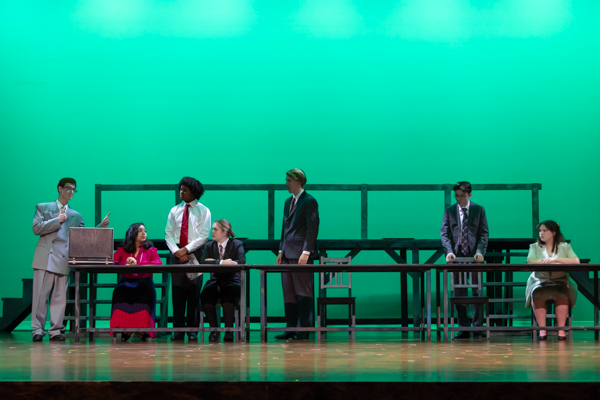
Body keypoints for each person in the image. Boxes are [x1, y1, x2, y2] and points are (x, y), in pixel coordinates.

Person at [31, 177, 109, 342]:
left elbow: (82, 238)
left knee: (59, 298)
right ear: (60, 188)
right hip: (45, 257)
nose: (71, 192)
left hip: (63, 258)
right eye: (68, 188)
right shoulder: (43, 207)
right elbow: (36, 228)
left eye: (74, 189)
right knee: (40, 297)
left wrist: (100, 227)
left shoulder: (75, 215)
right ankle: (37, 329)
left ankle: (55, 331)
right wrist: (56, 221)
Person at [440, 181, 489, 339]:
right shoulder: (450, 211)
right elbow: (444, 233)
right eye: (456, 196)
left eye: (462, 196)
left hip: (474, 257)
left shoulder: (478, 210)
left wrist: (481, 251)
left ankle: (478, 327)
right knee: (459, 293)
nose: (459, 199)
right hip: (457, 257)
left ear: (469, 195)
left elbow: (483, 233)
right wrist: (448, 252)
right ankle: (464, 328)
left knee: (477, 292)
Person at [275, 168, 320, 340]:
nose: (286, 183)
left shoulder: (309, 201)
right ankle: (291, 328)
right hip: (287, 253)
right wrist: (280, 249)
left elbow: (312, 228)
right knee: (289, 292)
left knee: (303, 292)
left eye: (289, 180)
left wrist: (306, 251)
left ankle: (304, 329)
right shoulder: (288, 202)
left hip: (301, 253)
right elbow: (284, 227)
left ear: (298, 181)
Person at [165, 177, 211, 341]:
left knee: (193, 292)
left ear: (194, 192)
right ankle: (178, 329)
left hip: (194, 253)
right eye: (180, 189)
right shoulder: (174, 210)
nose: (181, 192)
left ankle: (192, 330)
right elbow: (168, 234)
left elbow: (204, 236)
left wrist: (186, 249)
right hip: (177, 254)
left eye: (185, 190)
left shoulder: (203, 211)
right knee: (177, 292)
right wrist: (177, 251)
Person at [526, 220, 578, 340]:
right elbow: (530, 260)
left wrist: (555, 260)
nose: (541, 233)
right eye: (540, 231)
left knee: (562, 292)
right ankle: (542, 330)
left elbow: (575, 261)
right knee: (538, 292)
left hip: (560, 280)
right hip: (540, 280)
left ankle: (561, 330)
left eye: (545, 230)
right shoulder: (534, 246)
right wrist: (544, 261)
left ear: (553, 233)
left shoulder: (565, 246)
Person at [111, 223, 162, 341]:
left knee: (145, 293)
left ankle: (140, 329)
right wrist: (126, 264)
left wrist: (138, 264)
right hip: (126, 282)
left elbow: (158, 263)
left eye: (145, 231)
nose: (144, 233)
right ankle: (125, 328)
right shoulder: (122, 249)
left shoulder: (151, 249)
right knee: (119, 293)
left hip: (144, 282)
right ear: (133, 234)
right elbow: (112, 261)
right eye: (140, 231)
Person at [200, 219, 246, 342]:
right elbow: (203, 261)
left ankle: (229, 331)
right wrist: (221, 262)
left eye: (215, 229)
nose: (212, 231)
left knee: (228, 299)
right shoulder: (209, 245)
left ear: (224, 232)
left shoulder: (237, 244)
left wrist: (230, 263)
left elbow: (241, 261)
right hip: (215, 281)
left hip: (232, 280)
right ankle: (214, 330)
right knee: (206, 297)